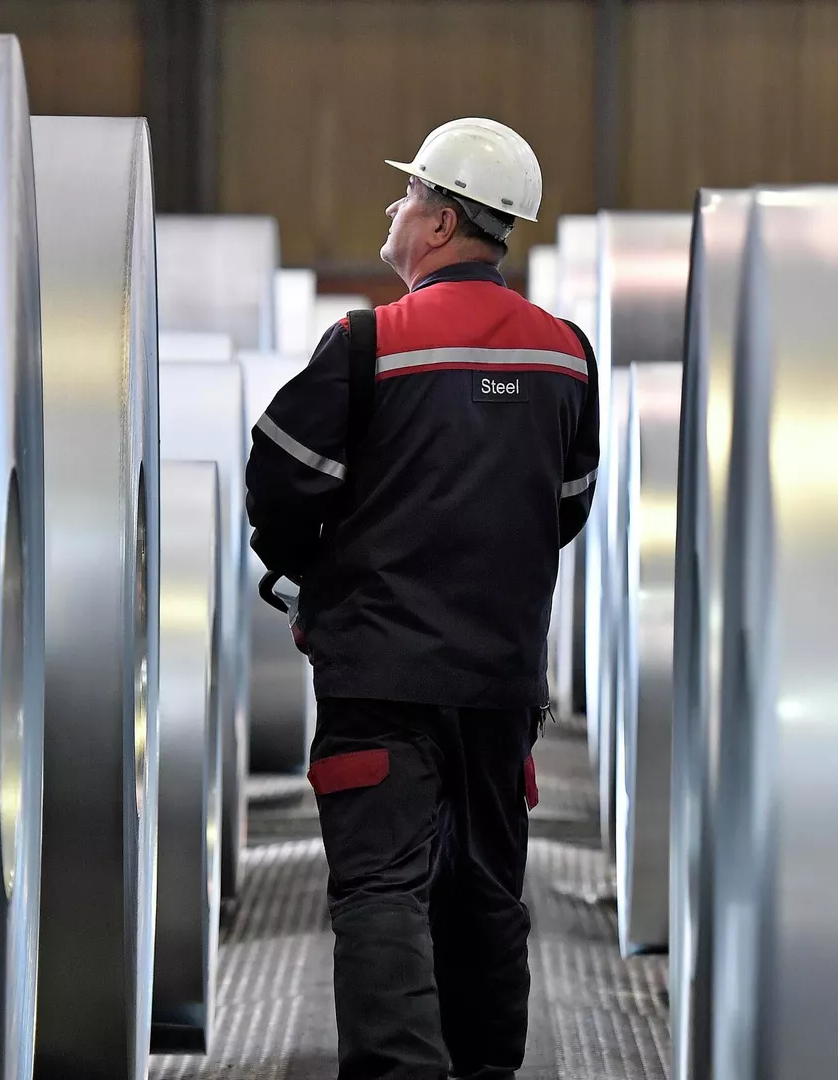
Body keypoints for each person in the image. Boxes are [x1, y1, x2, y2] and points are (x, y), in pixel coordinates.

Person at [244, 117, 600, 1080]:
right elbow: (567, 507)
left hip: (378, 677)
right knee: (487, 893)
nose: (395, 211)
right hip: (497, 681)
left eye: (407, 197)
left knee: (381, 891)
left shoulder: (369, 343)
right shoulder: (566, 355)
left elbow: (277, 479)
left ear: (440, 224)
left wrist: (311, 566)